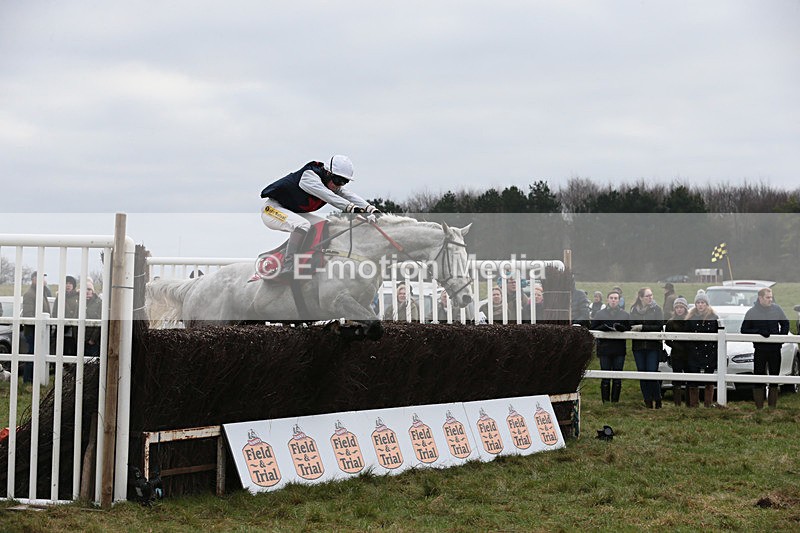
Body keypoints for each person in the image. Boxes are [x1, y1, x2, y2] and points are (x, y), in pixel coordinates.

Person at [260, 155, 381, 276]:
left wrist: (371, 209)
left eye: (344, 182)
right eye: (338, 180)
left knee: (322, 224)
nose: (339, 185)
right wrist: (352, 209)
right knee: (303, 225)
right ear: (328, 173)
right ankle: (289, 265)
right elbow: (329, 196)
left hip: (290, 211)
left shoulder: (330, 183)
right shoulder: (308, 177)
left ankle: (297, 256)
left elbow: (348, 195)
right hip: (271, 210)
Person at [741, 287, 790, 409]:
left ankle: (772, 407)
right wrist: (758, 332)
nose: (770, 299)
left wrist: (781, 338)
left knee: (774, 376)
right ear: (760, 298)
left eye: (771, 297)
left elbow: (785, 323)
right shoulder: (752, 312)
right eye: (768, 297)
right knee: (758, 376)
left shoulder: (777, 309)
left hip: (775, 349)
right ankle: (759, 407)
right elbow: (744, 329)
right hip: (760, 350)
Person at [590, 291, 631, 403]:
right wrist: (602, 328)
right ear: (607, 299)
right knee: (605, 376)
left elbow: (629, 328)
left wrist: (622, 328)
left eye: (616, 298)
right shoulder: (600, 314)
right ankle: (605, 401)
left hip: (619, 349)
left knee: (617, 376)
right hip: (604, 349)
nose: (613, 300)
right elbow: (592, 328)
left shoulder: (625, 315)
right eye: (611, 298)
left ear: (619, 300)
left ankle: (615, 401)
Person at [629, 287, 664, 408]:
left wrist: (643, 327)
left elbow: (659, 326)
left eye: (651, 295)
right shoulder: (634, 310)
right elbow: (630, 325)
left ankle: (658, 399)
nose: (650, 298)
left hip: (652, 346)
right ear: (641, 297)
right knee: (642, 374)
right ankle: (647, 401)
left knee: (651, 373)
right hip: (638, 347)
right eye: (647, 296)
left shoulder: (657, 310)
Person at [686, 294, 720, 407]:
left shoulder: (714, 317)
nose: (700, 305)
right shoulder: (690, 318)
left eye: (703, 303)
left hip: (709, 352)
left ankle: (708, 404)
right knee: (693, 379)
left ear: (706, 304)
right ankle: (694, 405)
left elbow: (718, 335)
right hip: (694, 352)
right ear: (695, 304)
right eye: (698, 303)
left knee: (709, 379)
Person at [21, 271, 51, 383]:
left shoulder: (41, 292)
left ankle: (34, 378)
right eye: (41, 278)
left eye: (44, 278)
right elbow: (28, 314)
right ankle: (27, 379)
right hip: (33, 330)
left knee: (37, 353)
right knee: (32, 354)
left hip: (40, 329)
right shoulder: (30, 294)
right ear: (33, 279)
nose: (43, 280)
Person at [664, 297, 691, 406]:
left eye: (681, 307)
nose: (679, 309)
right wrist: (677, 346)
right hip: (676, 354)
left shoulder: (690, 321)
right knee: (677, 379)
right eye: (677, 307)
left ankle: (690, 403)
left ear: (685, 308)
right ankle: (677, 403)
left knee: (690, 378)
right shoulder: (670, 323)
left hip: (689, 354)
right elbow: (667, 340)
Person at [52, 275, 80, 356]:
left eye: (70, 283)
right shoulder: (60, 297)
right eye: (66, 283)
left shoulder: (78, 296)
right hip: (61, 329)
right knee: (60, 351)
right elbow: (54, 312)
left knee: (73, 351)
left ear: (73, 285)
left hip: (74, 330)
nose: (68, 285)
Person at [85, 280, 103, 357]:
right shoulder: (78, 302)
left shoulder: (99, 303)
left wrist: (93, 339)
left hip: (92, 342)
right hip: (80, 340)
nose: (87, 291)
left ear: (92, 291)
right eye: (85, 289)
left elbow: (100, 321)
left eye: (89, 289)